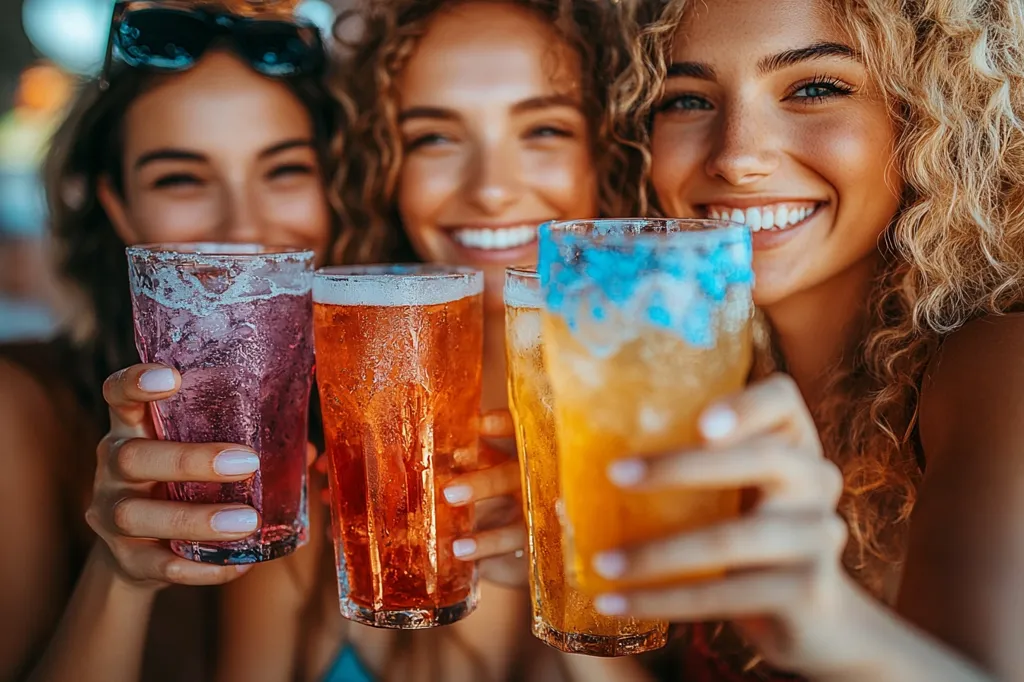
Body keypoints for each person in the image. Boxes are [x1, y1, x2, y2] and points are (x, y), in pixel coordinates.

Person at [588, 1, 1024, 680]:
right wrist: (576, 588)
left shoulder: (1001, 366)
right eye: (687, 99)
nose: (737, 157)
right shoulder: (684, 382)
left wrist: (834, 625)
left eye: (816, 88)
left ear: (931, 114)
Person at [216, 1, 650, 681]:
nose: (492, 190)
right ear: (384, 169)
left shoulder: (677, 432)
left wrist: (576, 594)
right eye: (434, 139)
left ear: (611, 149)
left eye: (543, 129)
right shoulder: (324, 466)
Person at [3, 3, 341, 680]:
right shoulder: (20, 410)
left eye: (284, 170)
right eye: (181, 178)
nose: (243, 224)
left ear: (333, 191)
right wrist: (121, 573)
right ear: (118, 206)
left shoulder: (371, 412)